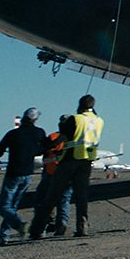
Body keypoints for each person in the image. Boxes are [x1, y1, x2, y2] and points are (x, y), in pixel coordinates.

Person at [31, 94, 101, 239]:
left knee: (52, 195)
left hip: (70, 160)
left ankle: (37, 229)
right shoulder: (99, 120)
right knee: (81, 196)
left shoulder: (76, 119)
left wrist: (47, 146)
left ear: (80, 105)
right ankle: (82, 227)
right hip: (86, 161)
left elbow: (63, 137)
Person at [0, 107, 47, 245]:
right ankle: (4, 235)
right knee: (12, 206)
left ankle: (18, 225)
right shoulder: (39, 133)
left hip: (13, 173)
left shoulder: (13, 134)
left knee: (4, 207)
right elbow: (45, 148)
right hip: (28, 174)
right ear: (35, 119)